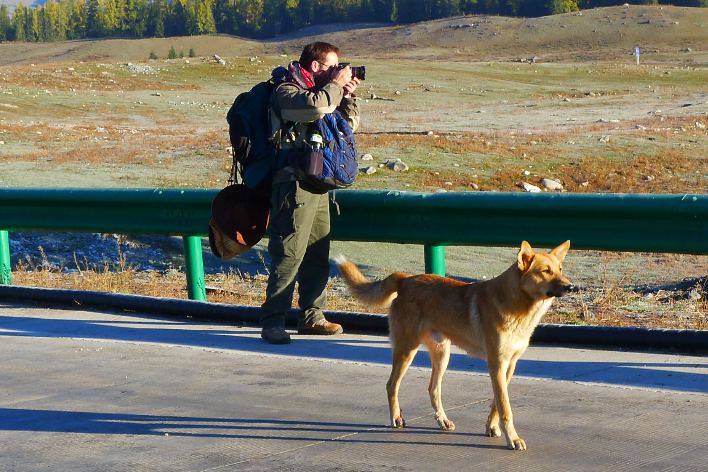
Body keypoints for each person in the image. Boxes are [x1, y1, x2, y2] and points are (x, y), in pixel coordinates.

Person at [260, 41, 361, 344]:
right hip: (292, 184)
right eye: (332, 67)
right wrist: (334, 86)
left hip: (318, 184)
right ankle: (273, 320)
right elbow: (315, 107)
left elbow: (349, 126)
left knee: (318, 253)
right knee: (289, 253)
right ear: (315, 66)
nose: (338, 72)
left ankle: (312, 316)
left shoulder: (328, 93)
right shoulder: (286, 91)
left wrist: (348, 95)